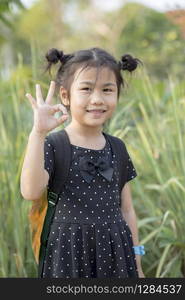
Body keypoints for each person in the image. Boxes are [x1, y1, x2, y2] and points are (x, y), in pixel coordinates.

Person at [20, 47, 145, 278]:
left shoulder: (117, 147)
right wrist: (37, 134)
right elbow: (30, 191)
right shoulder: (54, 144)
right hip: (68, 254)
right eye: (86, 89)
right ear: (65, 96)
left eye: (107, 90)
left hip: (116, 252)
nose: (97, 99)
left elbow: (127, 209)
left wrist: (137, 259)